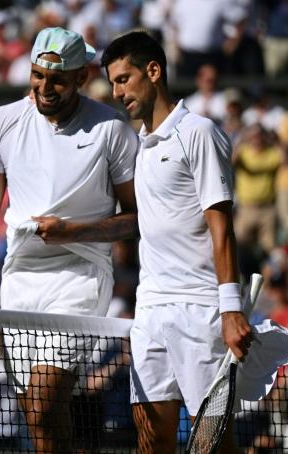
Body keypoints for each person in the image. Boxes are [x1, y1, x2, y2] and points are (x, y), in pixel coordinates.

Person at [0, 27, 139, 453]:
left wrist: (74, 231)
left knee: (46, 403)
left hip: (79, 276)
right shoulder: (3, 122)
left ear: (82, 78)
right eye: (38, 76)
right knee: (38, 419)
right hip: (19, 280)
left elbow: (140, 218)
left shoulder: (112, 129)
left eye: (58, 79)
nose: (45, 88)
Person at [101, 31, 252, 452]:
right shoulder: (140, 147)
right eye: (113, 83)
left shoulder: (199, 132)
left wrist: (230, 309)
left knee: (211, 445)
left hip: (200, 310)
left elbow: (222, 226)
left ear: (154, 71)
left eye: (124, 79)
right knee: (151, 440)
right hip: (150, 309)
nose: (117, 92)